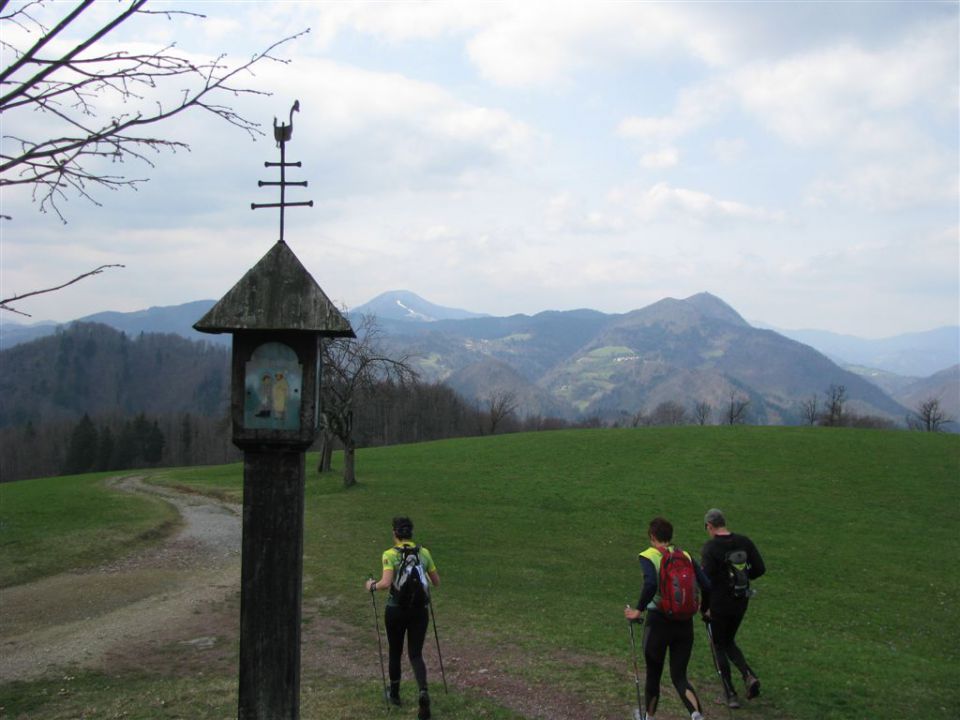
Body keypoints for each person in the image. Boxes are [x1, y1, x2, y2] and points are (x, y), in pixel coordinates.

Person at [624, 517, 707, 720]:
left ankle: (648, 717)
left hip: (658, 622)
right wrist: (706, 609)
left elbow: (651, 584)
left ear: (652, 536)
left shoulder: (648, 555)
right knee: (679, 675)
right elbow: (707, 584)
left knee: (654, 674)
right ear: (670, 537)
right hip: (684, 623)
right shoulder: (685, 555)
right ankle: (696, 715)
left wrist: (638, 610)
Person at [365, 516, 440, 720]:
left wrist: (371, 585)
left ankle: (395, 694)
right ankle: (423, 691)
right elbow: (436, 581)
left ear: (395, 534)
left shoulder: (390, 554)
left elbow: (385, 582)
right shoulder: (424, 553)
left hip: (395, 610)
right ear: (411, 533)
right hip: (419, 611)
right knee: (416, 654)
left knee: (395, 652)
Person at [700, 508, 765, 708]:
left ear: (709, 526)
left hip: (719, 604)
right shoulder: (744, 541)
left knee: (718, 644)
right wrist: (744, 578)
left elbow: (705, 581)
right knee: (728, 641)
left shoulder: (710, 548)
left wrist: (705, 607)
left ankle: (730, 693)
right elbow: (760, 568)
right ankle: (748, 675)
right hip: (740, 601)